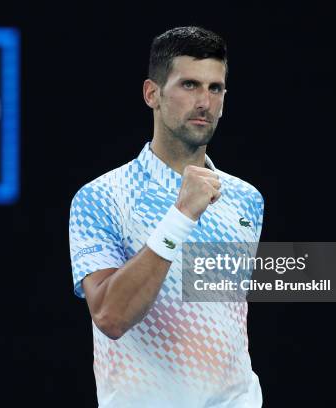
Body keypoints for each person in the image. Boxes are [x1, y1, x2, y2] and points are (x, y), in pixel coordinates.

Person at [69, 26, 264, 407]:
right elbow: (110, 316)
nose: (205, 102)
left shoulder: (246, 199)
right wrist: (182, 213)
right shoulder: (101, 198)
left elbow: (220, 315)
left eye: (215, 88)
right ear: (152, 94)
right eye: (189, 85)